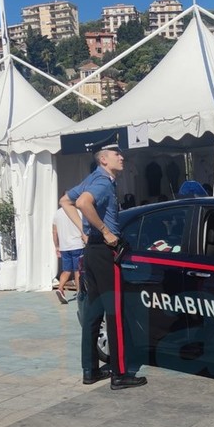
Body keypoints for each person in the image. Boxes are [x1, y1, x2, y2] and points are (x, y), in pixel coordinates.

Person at [60, 140, 146, 390]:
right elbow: (82, 203)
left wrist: (84, 232)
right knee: (114, 312)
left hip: (92, 251)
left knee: (93, 313)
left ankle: (90, 370)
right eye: (116, 154)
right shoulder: (102, 182)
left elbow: (65, 200)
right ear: (103, 159)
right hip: (105, 251)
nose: (122, 157)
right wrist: (105, 231)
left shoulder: (92, 178)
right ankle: (120, 373)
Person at [52, 204, 85, 304]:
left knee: (66, 270)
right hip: (77, 245)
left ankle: (60, 288)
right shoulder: (79, 212)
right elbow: (84, 228)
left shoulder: (57, 213)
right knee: (77, 270)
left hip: (64, 246)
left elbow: (54, 232)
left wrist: (57, 246)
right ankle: (79, 293)